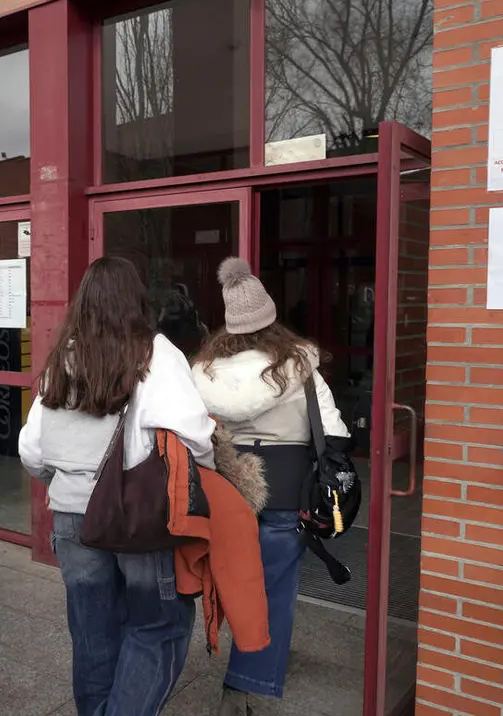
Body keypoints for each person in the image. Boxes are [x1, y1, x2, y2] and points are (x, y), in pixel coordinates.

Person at [18, 256, 216, 716]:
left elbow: (32, 450)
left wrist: (67, 481)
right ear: (137, 301)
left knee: (92, 634)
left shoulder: (61, 359)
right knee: (158, 627)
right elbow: (195, 435)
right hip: (138, 518)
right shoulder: (156, 353)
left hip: (72, 519)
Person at [190, 258, 350, 716]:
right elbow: (334, 429)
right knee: (274, 589)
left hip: (225, 489)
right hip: (284, 490)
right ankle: (247, 682)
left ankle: (235, 655)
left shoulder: (205, 371)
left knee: (233, 580)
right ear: (270, 317)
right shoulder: (297, 366)